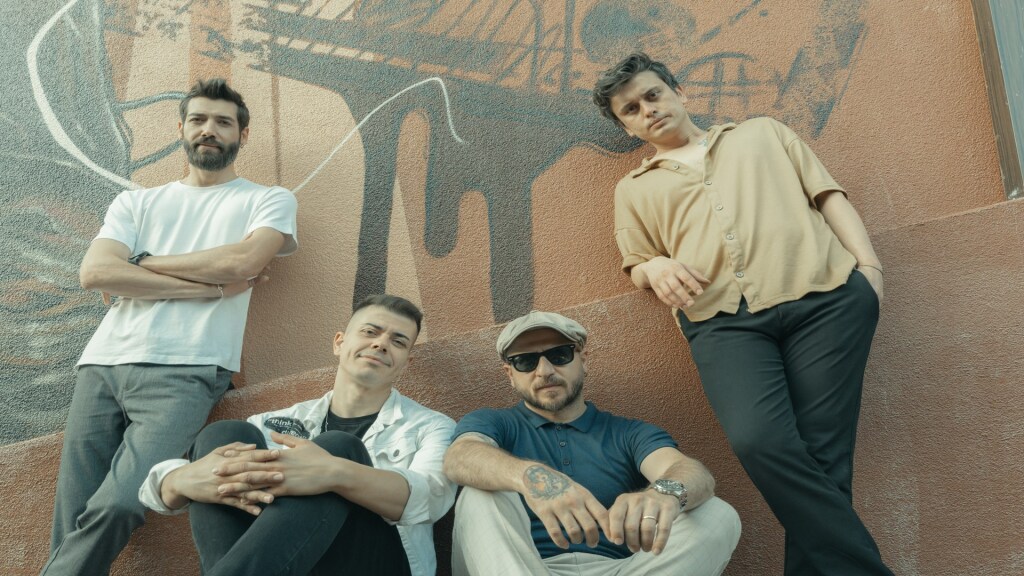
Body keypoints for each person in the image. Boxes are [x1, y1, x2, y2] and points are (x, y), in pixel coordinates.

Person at [592, 52, 893, 575]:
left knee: (824, 454)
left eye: (653, 95)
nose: (648, 110)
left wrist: (870, 270)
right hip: (723, 324)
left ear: (679, 91)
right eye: (631, 110)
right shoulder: (635, 189)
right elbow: (637, 263)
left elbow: (828, 197)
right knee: (759, 441)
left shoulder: (763, 134)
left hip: (825, 302)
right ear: (627, 127)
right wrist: (655, 266)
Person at [43, 79, 298, 575]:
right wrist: (207, 290)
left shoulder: (268, 199)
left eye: (223, 122)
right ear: (181, 128)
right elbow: (95, 272)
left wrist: (141, 263)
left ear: (242, 134)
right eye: (198, 119)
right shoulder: (135, 202)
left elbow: (243, 261)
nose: (209, 130)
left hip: (188, 368)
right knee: (71, 515)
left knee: (123, 502)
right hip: (102, 364)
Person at [139, 294, 456, 576]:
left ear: (406, 362)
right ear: (339, 343)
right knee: (225, 433)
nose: (381, 344)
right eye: (370, 332)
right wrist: (176, 481)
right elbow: (151, 492)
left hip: (372, 561)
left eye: (398, 342)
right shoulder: (274, 422)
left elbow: (432, 498)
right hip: (284, 562)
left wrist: (336, 473)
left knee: (338, 448)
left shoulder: (431, 426)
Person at [443, 310, 740, 576]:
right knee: (480, 494)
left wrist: (663, 494)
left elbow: (689, 472)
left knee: (716, 514)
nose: (544, 370)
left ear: (583, 359)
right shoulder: (494, 423)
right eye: (525, 361)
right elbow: (460, 457)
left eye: (559, 355)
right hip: (521, 566)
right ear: (510, 375)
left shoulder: (627, 433)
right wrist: (531, 477)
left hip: (620, 569)